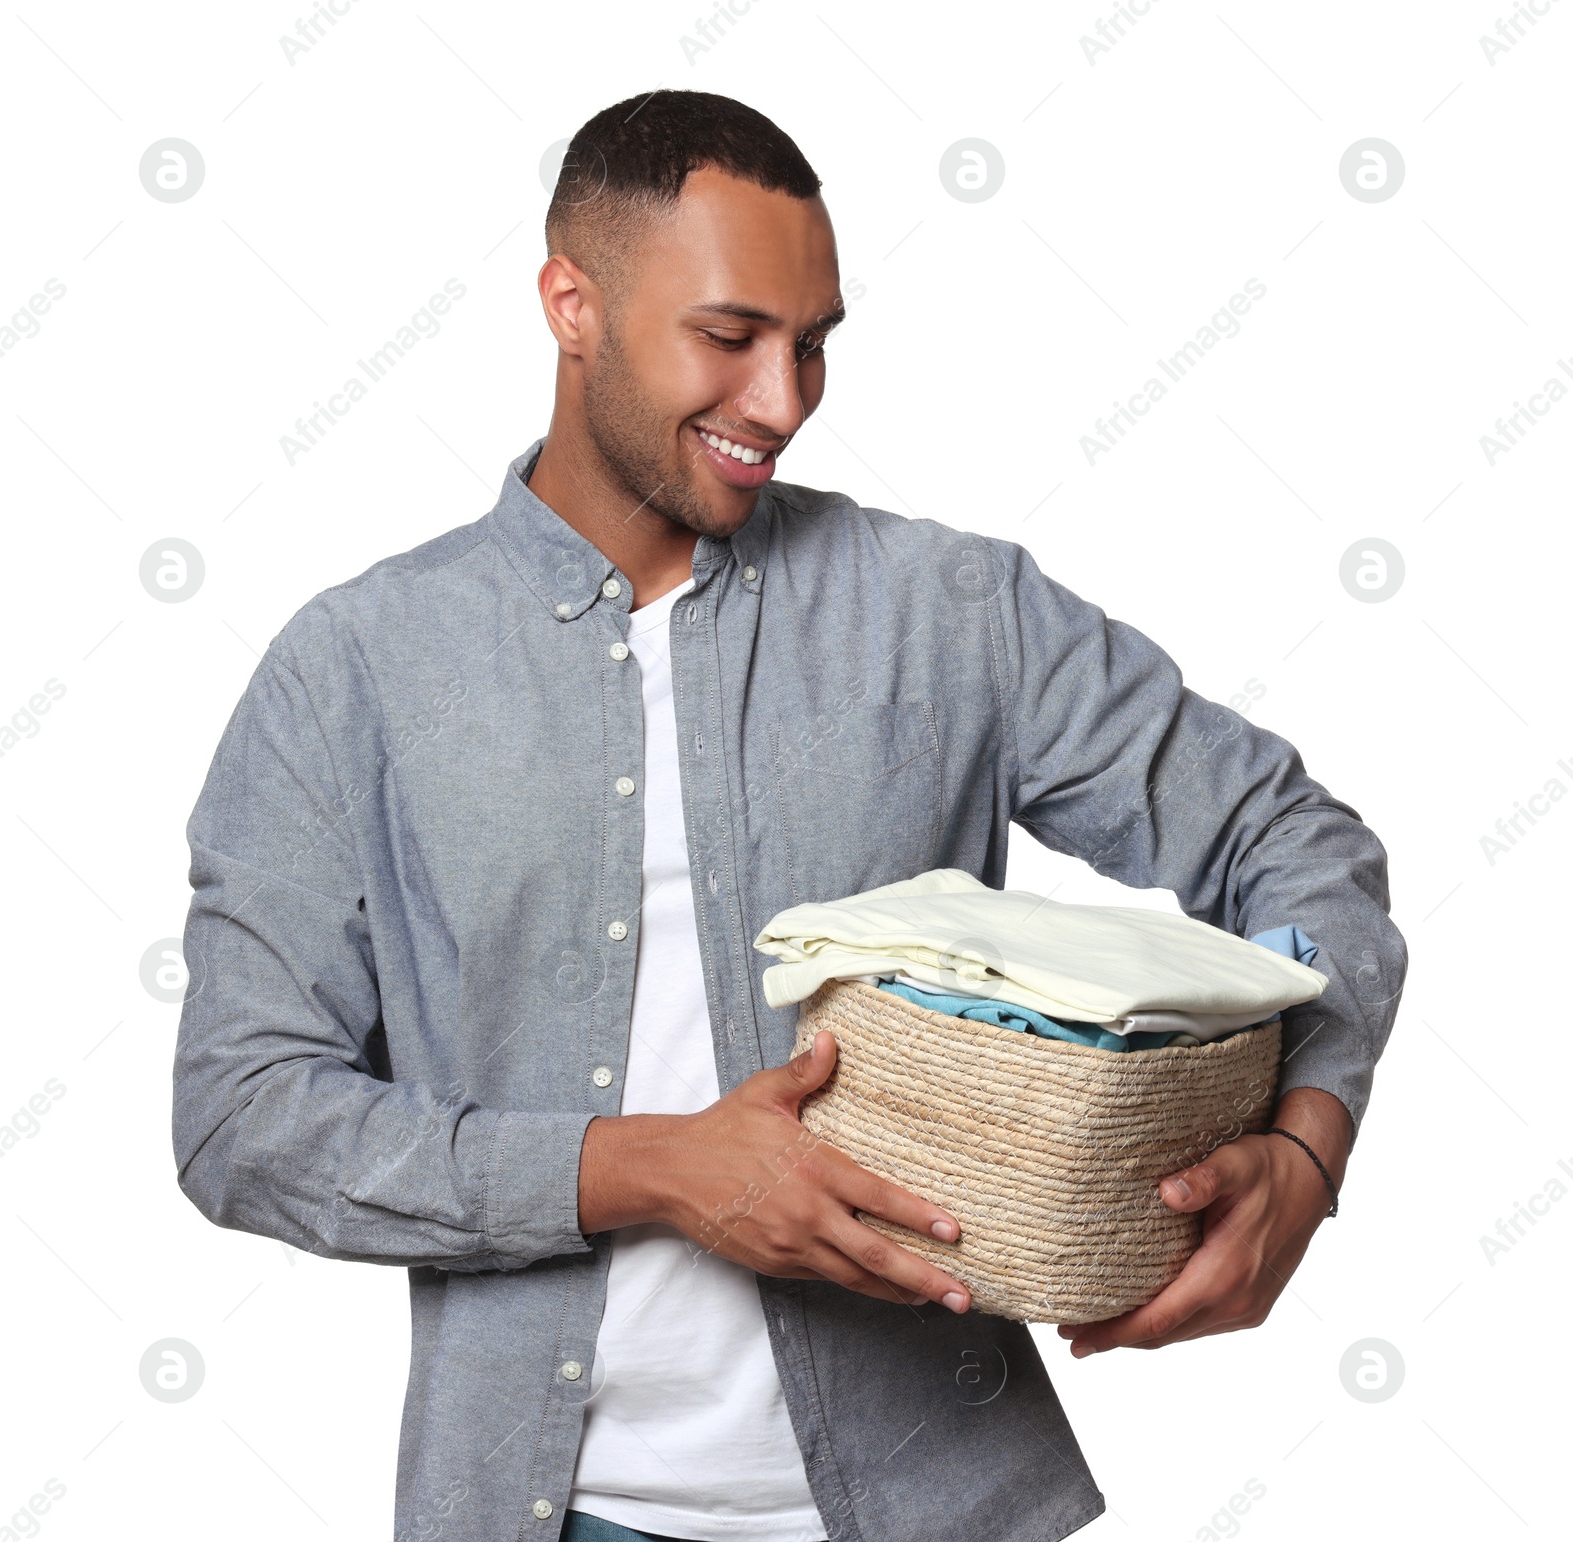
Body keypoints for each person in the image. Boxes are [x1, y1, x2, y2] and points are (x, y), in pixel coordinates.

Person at [171, 89, 1405, 1542]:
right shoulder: (355, 670)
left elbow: (1299, 843)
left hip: (933, 1501)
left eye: (812, 343)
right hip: (538, 1510)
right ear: (572, 303)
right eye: (731, 335)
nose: (784, 399)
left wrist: (1308, 1146)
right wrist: (648, 1165)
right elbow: (244, 1115)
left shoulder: (952, 612)